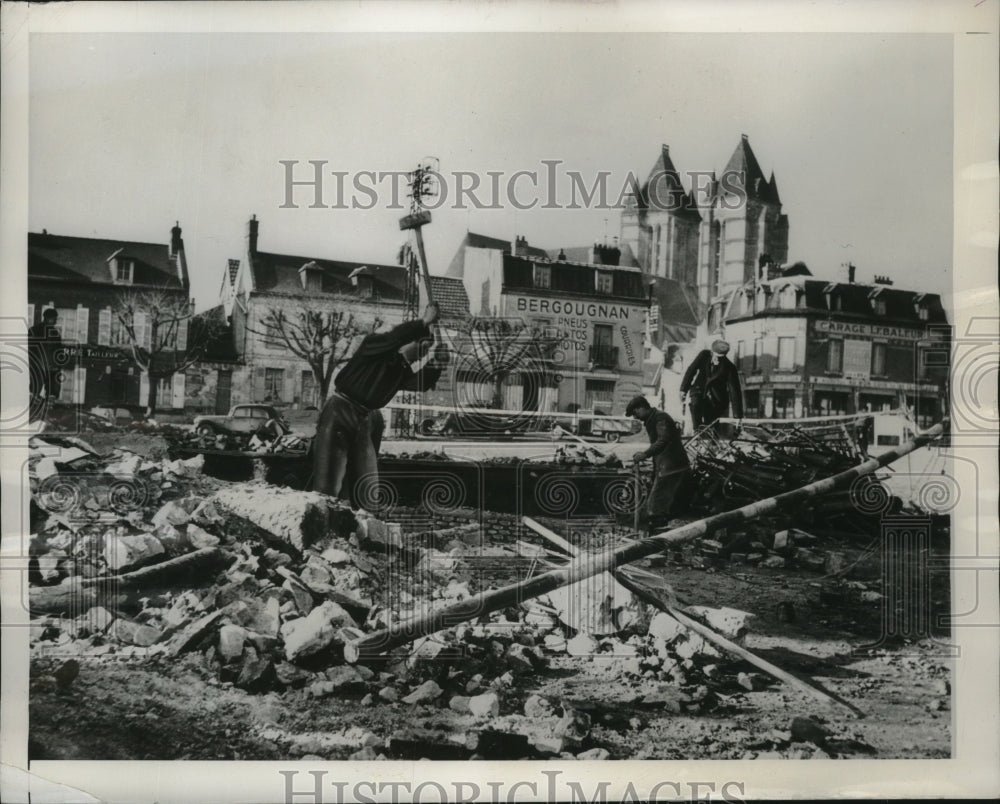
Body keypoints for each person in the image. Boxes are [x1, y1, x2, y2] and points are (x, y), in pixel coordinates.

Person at [312, 303, 448, 505]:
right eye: (420, 346)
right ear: (406, 343)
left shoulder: (399, 370)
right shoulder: (373, 346)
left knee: (367, 486)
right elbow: (394, 337)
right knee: (328, 483)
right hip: (339, 412)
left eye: (425, 349)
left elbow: (420, 383)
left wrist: (437, 364)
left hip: (364, 418)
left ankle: (360, 524)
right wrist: (424, 322)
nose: (421, 352)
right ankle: (320, 517)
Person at [626, 396, 692, 532]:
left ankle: (657, 538)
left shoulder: (660, 419)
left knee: (655, 506)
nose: (636, 417)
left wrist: (645, 454)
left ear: (641, 407)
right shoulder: (654, 418)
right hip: (667, 466)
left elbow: (663, 440)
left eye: (635, 413)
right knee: (660, 504)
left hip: (672, 467)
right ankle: (660, 532)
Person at [680, 339, 744, 428]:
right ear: (711, 352)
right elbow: (691, 370)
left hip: (716, 399)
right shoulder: (704, 355)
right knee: (695, 404)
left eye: (721, 358)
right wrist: (683, 390)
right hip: (699, 390)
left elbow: (735, 391)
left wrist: (737, 416)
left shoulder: (729, 367)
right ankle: (697, 431)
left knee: (711, 425)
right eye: (716, 356)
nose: (717, 359)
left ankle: (710, 437)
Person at [28, 308, 64, 402]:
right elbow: (29, 349)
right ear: (48, 318)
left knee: (53, 382)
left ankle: (50, 398)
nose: (56, 321)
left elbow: (59, 350)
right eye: (54, 319)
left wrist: (58, 364)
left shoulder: (55, 334)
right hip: (38, 365)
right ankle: (34, 397)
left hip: (50, 366)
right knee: (36, 384)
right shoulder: (34, 331)